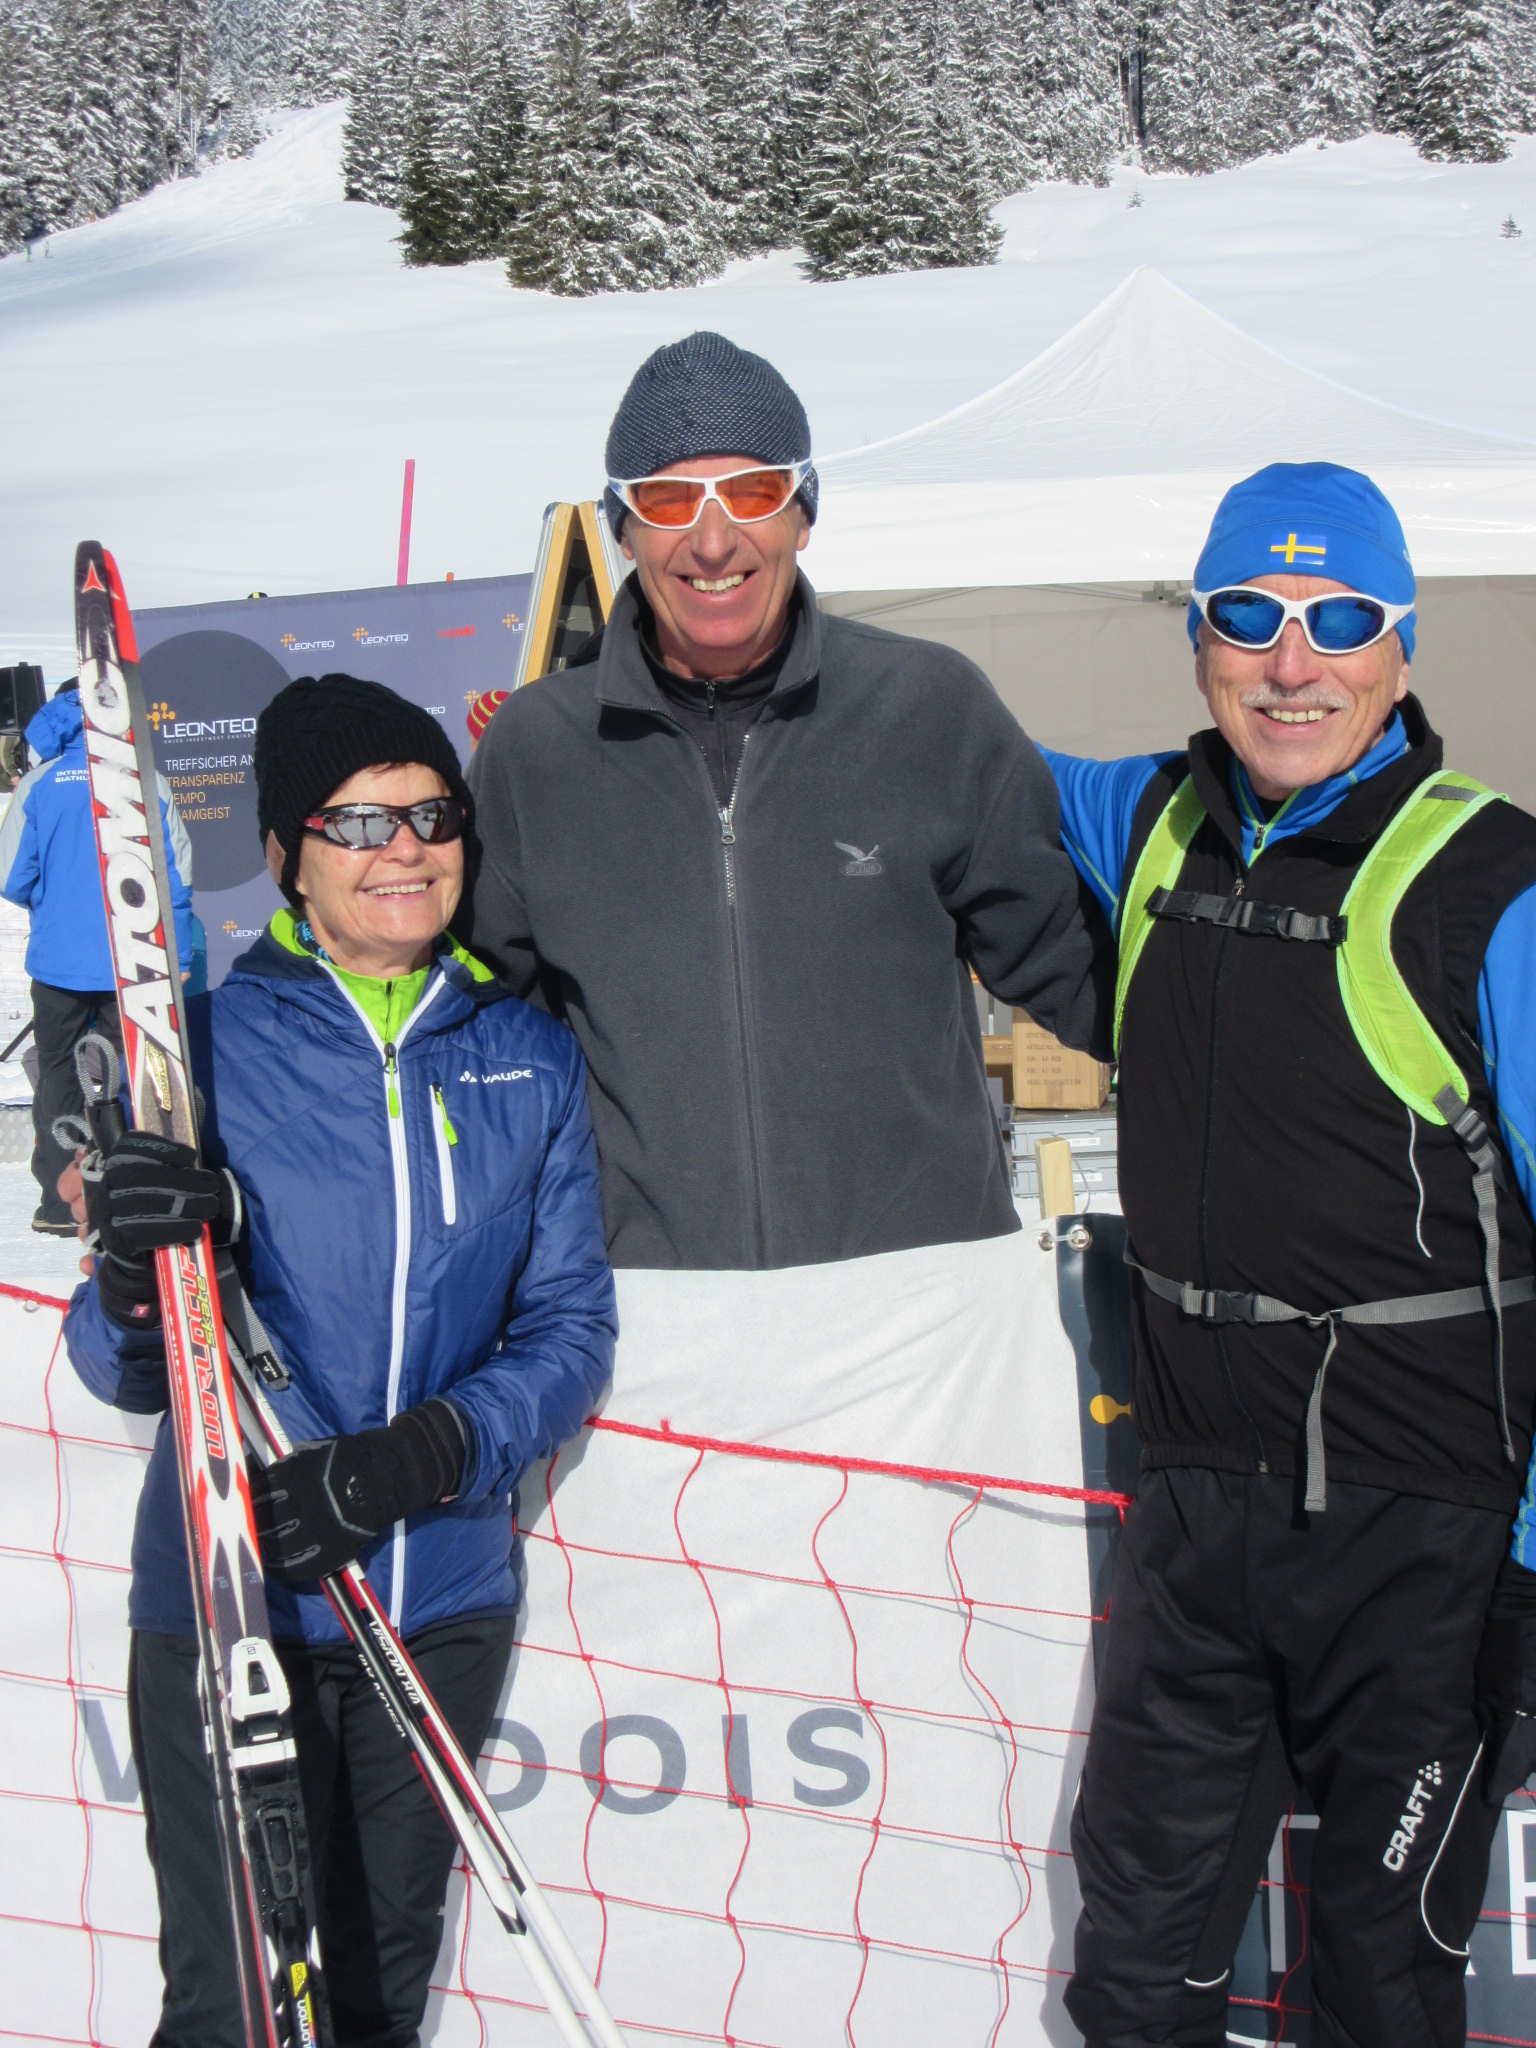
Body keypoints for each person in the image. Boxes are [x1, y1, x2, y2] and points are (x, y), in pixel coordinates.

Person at [1040, 462, 1536, 2046]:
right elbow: (927, 750)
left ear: (1403, 645)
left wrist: (1533, 1569)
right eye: (1249, 615)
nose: (1291, 662)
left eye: (1340, 620)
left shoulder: (1493, 883)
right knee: (1135, 1979)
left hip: (1429, 1542)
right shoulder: (1150, 825)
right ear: (1197, 638)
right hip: (1198, 1525)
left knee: (1380, 1985)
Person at [61, 675, 617, 2048]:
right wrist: (133, 1273)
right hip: (232, 1604)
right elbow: (119, 1368)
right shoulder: (199, 1057)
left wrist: (415, 1457)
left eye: (432, 815)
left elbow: (569, 1330)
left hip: (436, 1605)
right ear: (285, 856)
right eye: (359, 822)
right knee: (233, 2008)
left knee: (373, 2002)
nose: (405, 848)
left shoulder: (524, 1055)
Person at [467, 329, 1111, 1269]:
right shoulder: (538, 752)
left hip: (915, 1292)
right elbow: (475, 1035)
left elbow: (1080, 968)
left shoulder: (927, 706)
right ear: (624, 529)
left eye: (753, 492)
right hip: (653, 1305)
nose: (713, 540)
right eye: (670, 500)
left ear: (803, 515)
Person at [0, 679, 192, 1233]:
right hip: (133, 957)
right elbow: (176, 875)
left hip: (58, 962)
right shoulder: (143, 778)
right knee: (129, 1073)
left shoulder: (40, 782)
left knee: (59, 1073)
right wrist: (177, 951)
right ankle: (126, 1194)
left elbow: (11, 877)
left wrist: (56, 900)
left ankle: (61, 1203)